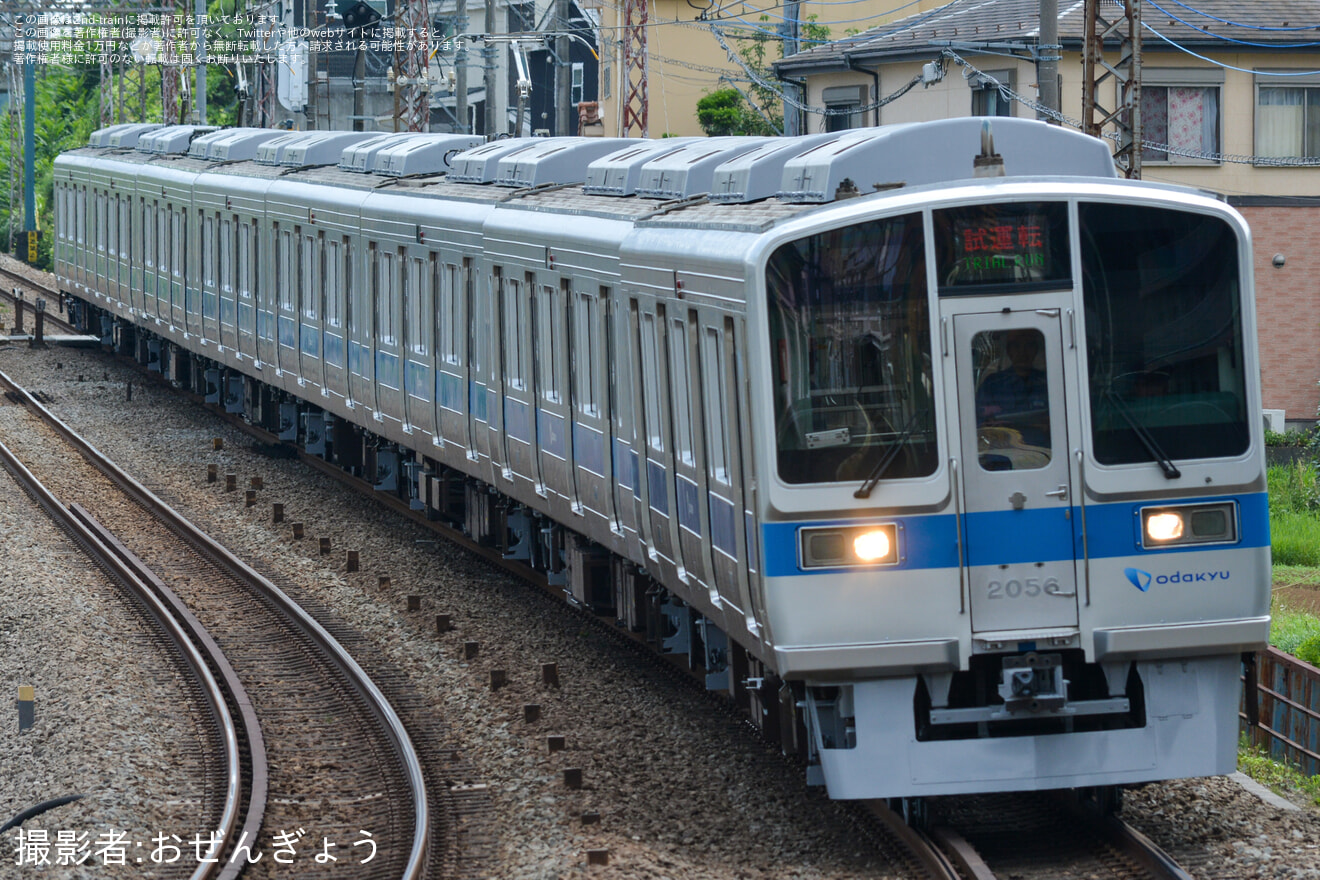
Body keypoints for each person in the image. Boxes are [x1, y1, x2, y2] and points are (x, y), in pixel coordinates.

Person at [975, 329, 1051, 463]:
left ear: (1036, 350)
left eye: (1029, 346)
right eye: (1016, 346)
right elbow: (978, 426)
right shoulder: (992, 385)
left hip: (1044, 457)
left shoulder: (1049, 383)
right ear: (1009, 351)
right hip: (1001, 458)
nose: (1022, 353)